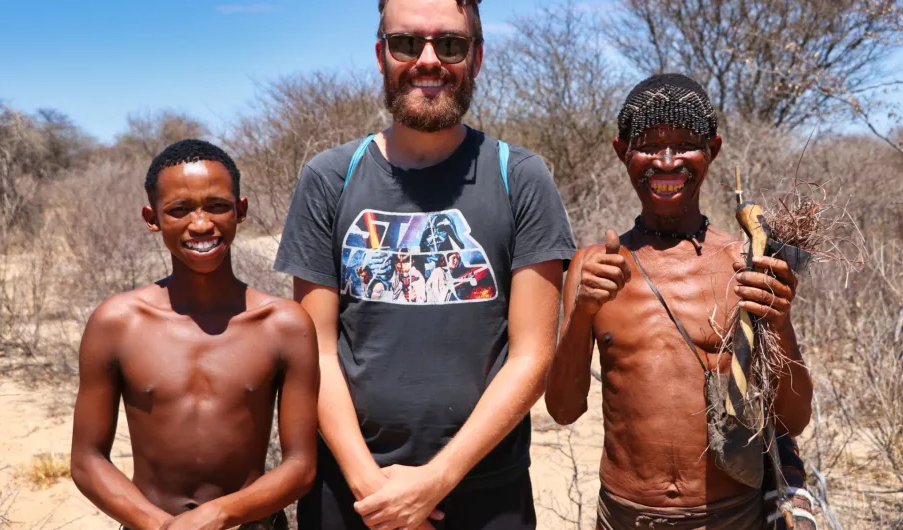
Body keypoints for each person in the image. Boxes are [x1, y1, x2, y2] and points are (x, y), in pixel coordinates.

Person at [273, 0, 575, 527]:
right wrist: (372, 487)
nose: (428, 60)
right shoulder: (329, 177)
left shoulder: (520, 177)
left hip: (486, 491)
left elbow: (532, 355)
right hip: (350, 494)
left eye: (451, 44)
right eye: (407, 43)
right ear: (381, 55)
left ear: (476, 57)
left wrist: (435, 480)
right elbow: (314, 350)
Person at [545, 74, 816, 529]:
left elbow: (794, 418)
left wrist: (781, 320)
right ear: (621, 151)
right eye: (649, 146)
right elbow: (563, 409)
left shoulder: (747, 262)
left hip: (731, 514)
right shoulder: (594, 266)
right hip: (625, 514)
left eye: (686, 145)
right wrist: (583, 312)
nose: (667, 162)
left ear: (713, 149)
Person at [70, 139, 319, 530]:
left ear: (241, 210)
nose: (201, 224)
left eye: (217, 206)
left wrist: (221, 514)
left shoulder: (284, 325)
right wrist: (160, 526)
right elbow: (87, 459)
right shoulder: (117, 323)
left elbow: (301, 465)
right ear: (152, 218)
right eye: (179, 210)